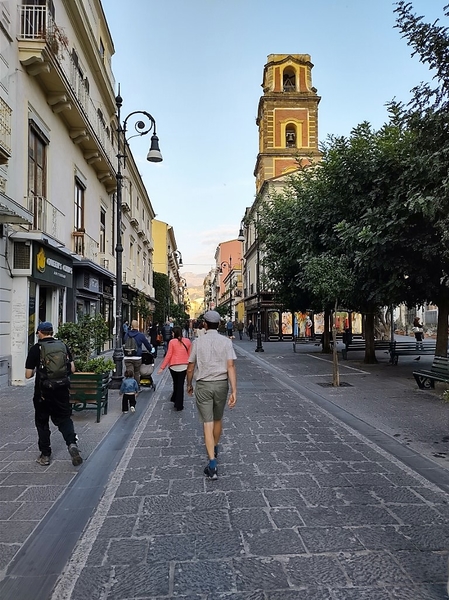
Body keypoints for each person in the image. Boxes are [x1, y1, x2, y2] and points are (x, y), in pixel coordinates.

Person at [186, 310, 237, 480]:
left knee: (207, 423)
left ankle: (212, 464)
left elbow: (191, 367)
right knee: (218, 418)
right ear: (220, 324)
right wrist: (234, 390)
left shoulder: (198, 342)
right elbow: (230, 366)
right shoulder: (226, 342)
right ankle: (214, 446)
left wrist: (189, 384)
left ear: (205, 324)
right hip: (221, 384)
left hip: (204, 385)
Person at [25, 321, 82, 467]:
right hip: (62, 390)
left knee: (42, 423)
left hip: (43, 393)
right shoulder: (62, 346)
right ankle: (71, 444)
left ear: (40, 332)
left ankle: (45, 455)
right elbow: (73, 369)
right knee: (64, 419)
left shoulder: (36, 349)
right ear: (52, 332)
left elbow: (28, 374)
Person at [158, 326, 192, 411]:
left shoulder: (172, 342)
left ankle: (174, 397)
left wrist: (162, 367)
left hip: (173, 366)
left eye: (172, 333)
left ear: (175, 333)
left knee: (175, 382)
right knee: (180, 384)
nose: (172, 334)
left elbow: (168, 355)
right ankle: (179, 404)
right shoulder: (187, 341)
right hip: (184, 365)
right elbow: (190, 354)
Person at [123, 320, 154, 386]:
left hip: (127, 357)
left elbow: (124, 341)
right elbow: (147, 344)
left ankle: (129, 386)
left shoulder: (126, 334)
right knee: (137, 373)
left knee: (129, 372)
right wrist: (151, 350)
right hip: (137, 357)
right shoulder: (140, 335)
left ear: (131, 326)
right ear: (137, 326)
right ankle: (136, 387)